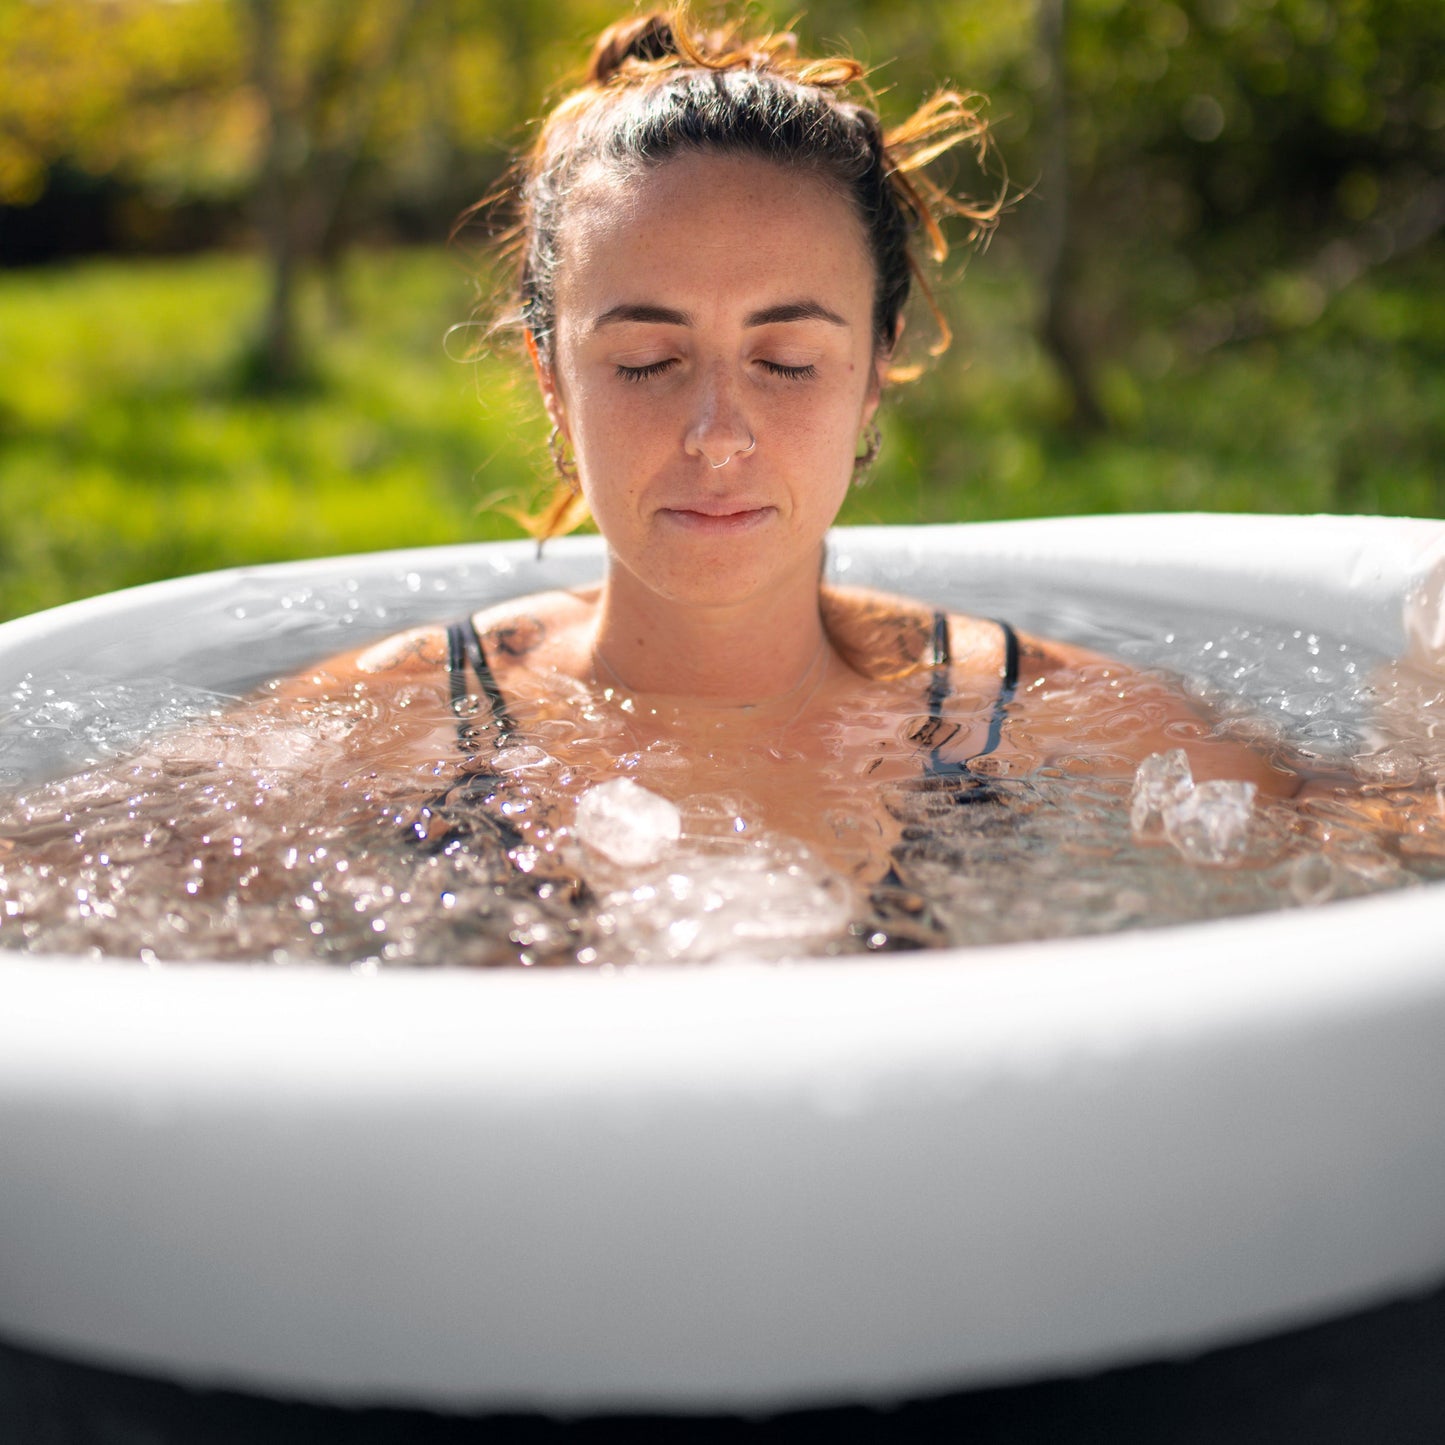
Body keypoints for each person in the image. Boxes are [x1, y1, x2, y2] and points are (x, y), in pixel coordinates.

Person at [1, 7, 1436, 964]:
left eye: (787, 360)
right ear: (549, 378)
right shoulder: (392, 723)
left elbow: (1385, 855)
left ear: (878, 369)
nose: (715, 433)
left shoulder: (1048, 718)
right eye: (642, 361)